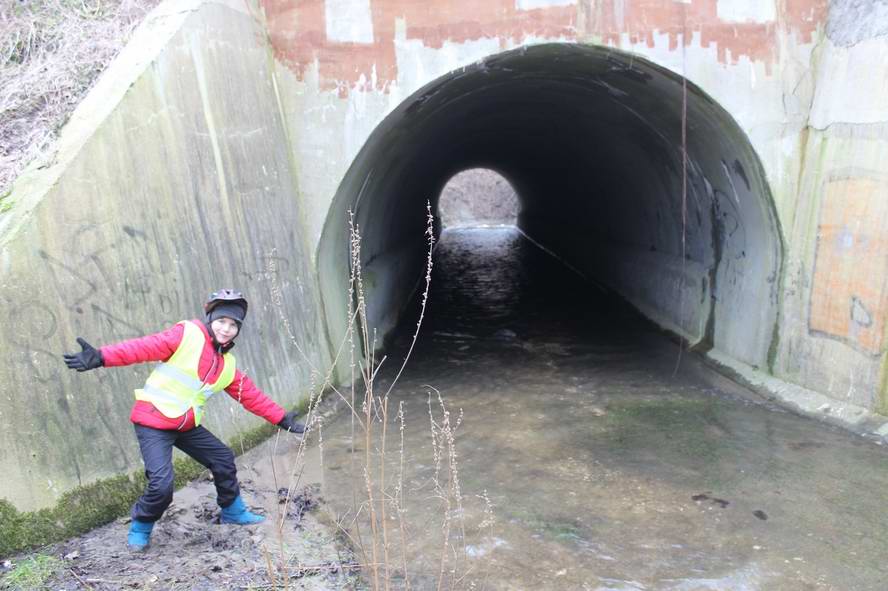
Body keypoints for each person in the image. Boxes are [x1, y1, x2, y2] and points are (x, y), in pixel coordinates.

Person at [62, 289, 304, 551]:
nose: (226, 329)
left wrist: (283, 419)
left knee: (222, 458)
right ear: (211, 318)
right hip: (153, 421)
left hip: (184, 426)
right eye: (222, 321)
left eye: (233, 325)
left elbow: (251, 396)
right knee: (162, 486)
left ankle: (233, 511)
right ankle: (142, 525)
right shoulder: (187, 334)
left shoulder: (227, 365)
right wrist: (102, 356)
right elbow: (144, 347)